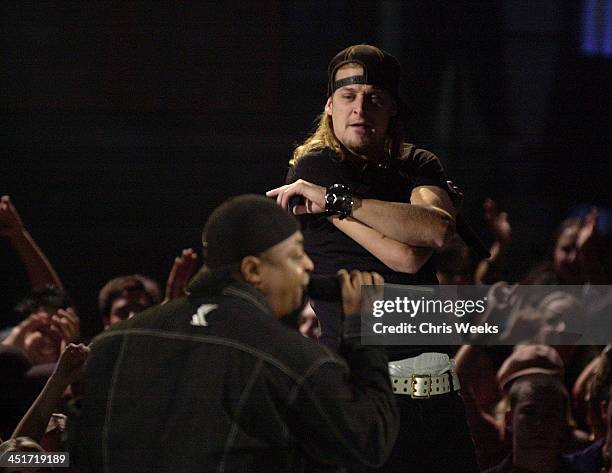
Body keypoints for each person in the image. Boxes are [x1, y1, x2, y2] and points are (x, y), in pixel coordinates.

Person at [68, 194, 399, 473]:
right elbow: (367, 439)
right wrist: (363, 326)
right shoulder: (292, 358)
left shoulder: (109, 345)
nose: (309, 267)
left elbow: (76, 453)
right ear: (253, 270)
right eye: (297, 254)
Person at [267, 44, 478, 472]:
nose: (361, 108)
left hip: (436, 393)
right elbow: (407, 255)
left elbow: (437, 229)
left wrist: (334, 202)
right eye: (349, 96)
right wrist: (413, 222)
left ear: (392, 111)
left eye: (375, 99)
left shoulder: (415, 162)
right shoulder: (314, 168)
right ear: (329, 106)